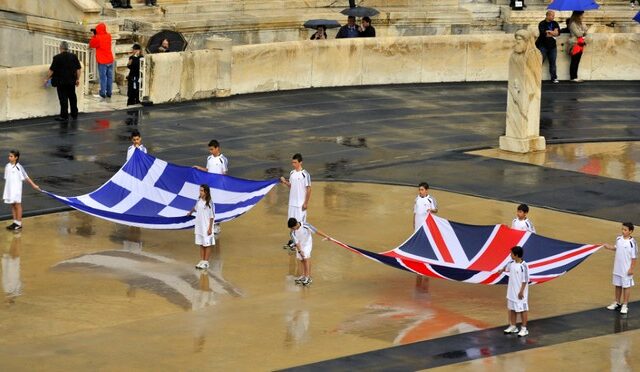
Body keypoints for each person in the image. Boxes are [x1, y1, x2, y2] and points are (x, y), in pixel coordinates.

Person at [193, 139, 228, 234]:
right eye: (209, 150)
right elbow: (207, 170)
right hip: (210, 186)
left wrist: (222, 185)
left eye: (212, 149)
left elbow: (224, 174)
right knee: (209, 205)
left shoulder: (223, 159)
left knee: (217, 206)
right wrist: (199, 168)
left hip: (219, 188)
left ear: (217, 148)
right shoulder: (209, 158)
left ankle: (217, 226)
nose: (210, 151)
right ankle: (209, 225)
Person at [605, 222, 637, 315]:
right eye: (622, 229)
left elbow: (634, 257)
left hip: (626, 269)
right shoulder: (618, 239)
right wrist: (609, 247)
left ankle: (625, 305)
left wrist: (631, 269)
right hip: (617, 267)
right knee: (617, 285)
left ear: (630, 231)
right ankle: (617, 302)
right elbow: (616, 248)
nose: (623, 231)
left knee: (626, 286)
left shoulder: (632, 243)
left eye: (625, 230)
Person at [3, 150, 40, 231]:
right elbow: (7, 178)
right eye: (9, 156)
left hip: (16, 190)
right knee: (12, 205)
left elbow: (26, 177)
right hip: (10, 189)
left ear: (16, 157)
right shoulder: (7, 166)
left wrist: (34, 185)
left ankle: (19, 223)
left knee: (17, 205)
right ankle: (15, 222)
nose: (9, 157)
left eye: (11, 156)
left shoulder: (19, 167)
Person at [45, 41, 82, 122]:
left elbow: (51, 70)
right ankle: (74, 114)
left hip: (61, 82)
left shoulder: (57, 58)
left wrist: (46, 79)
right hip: (71, 81)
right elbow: (78, 69)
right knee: (72, 97)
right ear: (67, 48)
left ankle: (64, 116)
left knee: (63, 99)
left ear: (60, 48)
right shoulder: (74, 56)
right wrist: (77, 79)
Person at [287, 218, 330, 286]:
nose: (292, 229)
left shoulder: (305, 225)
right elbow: (296, 243)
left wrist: (326, 236)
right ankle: (303, 276)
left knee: (306, 258)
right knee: (301, 259)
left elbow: (316, 231)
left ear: (296, 224)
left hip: (307, 244)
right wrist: (300, 251)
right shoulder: (292, 232)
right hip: (300, 245)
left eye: (292, 228)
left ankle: (308, 277)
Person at [499, 246, 529, 337]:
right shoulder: (511, 263)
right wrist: (501, 270)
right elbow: (506, 267)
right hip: (511, 292)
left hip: (520, 293)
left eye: (511, 253)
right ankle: (513, 326)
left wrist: (521, 292)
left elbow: (525, 280)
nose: (510, 255)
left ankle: (524, 329)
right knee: (512, 309)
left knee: (523, 310)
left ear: (516, 255)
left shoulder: (524, 266)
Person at [188, 184, 215, 270]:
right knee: (201, 243)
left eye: (202, 190)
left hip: (206, 226)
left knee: (207, 244)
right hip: (199, 226)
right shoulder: (199, 200)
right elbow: (195, 208)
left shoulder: (210, 203)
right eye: (200, 190)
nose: (200, 192)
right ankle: (202, 260)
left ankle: (206, 262)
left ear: (206, 192)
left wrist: (210, 228)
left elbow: (212, 216)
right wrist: (190, 213)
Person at [280, 153, 311, 223]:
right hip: (291, 204)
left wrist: (305, 203)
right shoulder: (292, 173)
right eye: (292, 162)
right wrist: (285, 181)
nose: (293, 164)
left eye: (295, 162)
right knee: (291, 224)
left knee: (301, 225)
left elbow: (309, 189)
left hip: (300, 205)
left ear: (300, 162)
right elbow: (291, 186)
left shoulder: (305, 174)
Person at [89, 23, 114, 100]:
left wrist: (93, 35)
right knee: (110, 77)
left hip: (102, 60)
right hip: (110, 59)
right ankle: (109, 93)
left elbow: (91, 44)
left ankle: (103, 93)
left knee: (103, 78)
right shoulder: (109, 36)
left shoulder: (97, 38)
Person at [536, 11, 560, 84]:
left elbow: (558, 33)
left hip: (552, 46)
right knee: (540, 62)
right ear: (547, 16)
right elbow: (544, 34)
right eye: (552, 16)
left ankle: (554, 78)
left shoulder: (555, 23)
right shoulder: (542, 23)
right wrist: (553, 32)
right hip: (543, 46)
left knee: (553, 63)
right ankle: (536, 77)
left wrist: (550, 32)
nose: (553, 17)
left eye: (554, 15)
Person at [568, 11, 588, 83]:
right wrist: (583, 32)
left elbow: (586, 31)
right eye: (582, 15)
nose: (583, 16)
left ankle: (575, 77)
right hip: (575, 44)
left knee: (577, 61)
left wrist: (582, 30)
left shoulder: (580, 23)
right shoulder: (573, 24)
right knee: (574, 61)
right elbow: (579, 34)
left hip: (580, 44)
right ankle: (573, 77)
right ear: (577, 15)